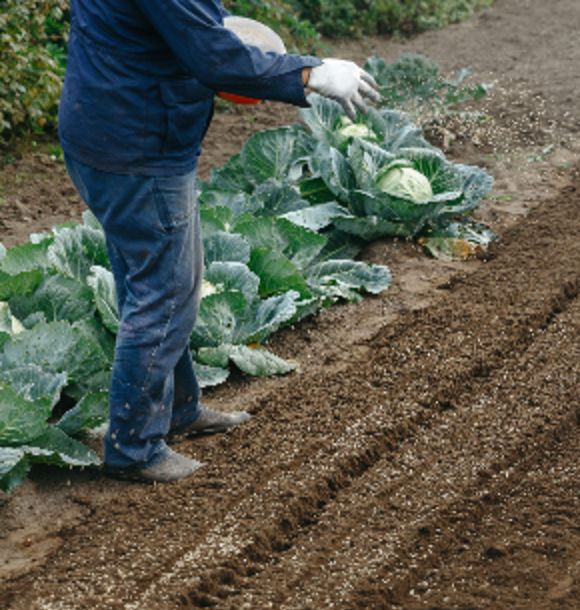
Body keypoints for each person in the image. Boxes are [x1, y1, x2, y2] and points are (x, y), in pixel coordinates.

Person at [59, 0, 379, 483]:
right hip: (138, 147)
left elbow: (190, 29)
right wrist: (309, 74)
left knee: (159, 282)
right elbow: (213, 56)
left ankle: (178, 409)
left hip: (104, 128)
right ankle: (134, 447)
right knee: (164, 294)